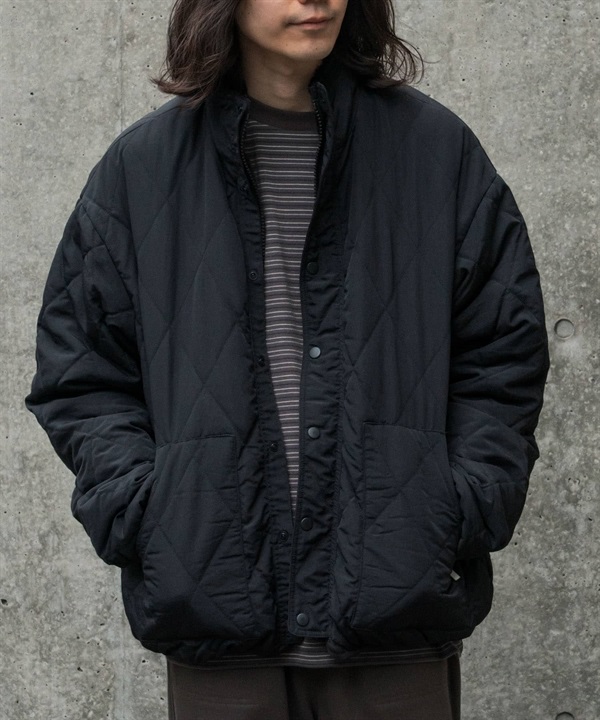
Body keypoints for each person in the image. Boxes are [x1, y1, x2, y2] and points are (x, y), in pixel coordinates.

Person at [26, 0, 550, 717]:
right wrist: (152, 513)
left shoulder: (436, 153)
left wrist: (453, 507)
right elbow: (81, 375)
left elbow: (503, 356)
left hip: (395, 628)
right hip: (219, 627)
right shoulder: (142, 169)